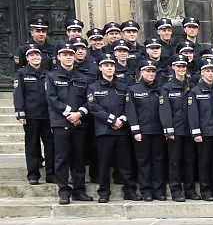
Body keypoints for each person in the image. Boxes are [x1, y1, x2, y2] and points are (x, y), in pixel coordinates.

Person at [46, 43, 94, 205]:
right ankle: (64, 191)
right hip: (61, 123)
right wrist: (70, 113)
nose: (68, 57)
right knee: (62, 158)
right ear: (58, 57)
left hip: (80, 123)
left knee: (79, 158)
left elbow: (90, 100)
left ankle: (79, 190)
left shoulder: (83, 78)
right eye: (64, 54)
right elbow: (52, 99)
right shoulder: (51, 77)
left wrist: (79, 113)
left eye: (70, 54)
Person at [87, 54, 137, 203]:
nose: (109, 68)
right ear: (100, 67)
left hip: (122, 130)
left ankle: (129, 190)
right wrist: (112, 120)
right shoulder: (93, 87)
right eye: (106, 65)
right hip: (104, 131)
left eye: (112, 65)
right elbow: (93, 108)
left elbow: (129, 105)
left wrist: (122, 118)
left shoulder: (123, 86)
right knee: (104, 163)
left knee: (125, 163)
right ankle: (104, 192)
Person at [125, 58, 166, 201]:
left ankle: (159, 190)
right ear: (141, 72)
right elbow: (131, 112)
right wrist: (136, 131)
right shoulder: (133, 89)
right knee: (144, 162)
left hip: (158, 131)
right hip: (142, 132)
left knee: (159, 161)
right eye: (148, 71)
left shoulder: (160, 89)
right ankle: (146, 190)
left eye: (153, 71)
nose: (151, 74)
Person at [14, 44, 54, 185]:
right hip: (31, 115)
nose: (35, 57)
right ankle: (33, 174)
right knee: (32, 145)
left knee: (50, 145)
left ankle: (51, 174)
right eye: (32, 55)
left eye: (37, 55)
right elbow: (18, 94)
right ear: (27, 58)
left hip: (47, 115)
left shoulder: (48, 73)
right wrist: (20, 113)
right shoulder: (21, 73)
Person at [188, 59, 213, 201]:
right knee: (204, 163)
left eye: (212, 71)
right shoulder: (195, 91)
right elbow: (193, 114)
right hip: (204, 133)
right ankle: (205, 191)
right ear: (202, 73)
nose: (210, 74)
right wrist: (196, 132)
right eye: (207, 71)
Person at [160, 56, 197, 202]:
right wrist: (168, 129)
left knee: (189, 160)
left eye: (184, 66)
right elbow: (165, 110)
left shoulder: (192, 86)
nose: (182, 69)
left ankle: (190, 190)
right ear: (173, 67)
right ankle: (176, 191)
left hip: (189, 129)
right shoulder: (167, 87)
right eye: (179, 66)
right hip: (175, 130)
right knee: (174, 161)